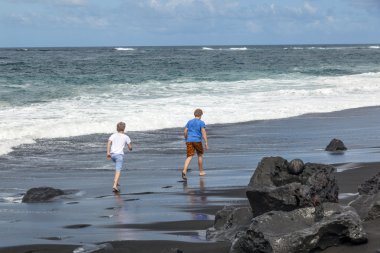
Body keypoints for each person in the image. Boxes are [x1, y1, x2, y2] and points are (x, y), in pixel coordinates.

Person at [182, 108, 208, 180]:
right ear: (201, 115)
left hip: (189, 140)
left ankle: (184, 170)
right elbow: (203, 132)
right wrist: (206, 142)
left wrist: (186, 138)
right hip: (197, 140)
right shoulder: (201, 122)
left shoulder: (189, 122)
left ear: (194, 114)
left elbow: (185, 131)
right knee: (199, 155)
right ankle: (201, 171)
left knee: (189, 156)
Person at [107, 122, 132, 193]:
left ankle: (116, 181)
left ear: (117, 128)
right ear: (124, 128)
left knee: (117, 167)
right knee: (118, 170)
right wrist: (130, 148)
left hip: (112, 155)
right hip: (119, 156)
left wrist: (108, 152)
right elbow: (130, 147)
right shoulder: (126, 137)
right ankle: (115, 185)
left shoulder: (113, 135)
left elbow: (109, 143)